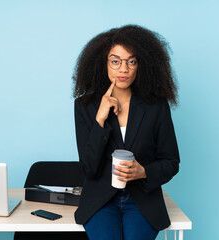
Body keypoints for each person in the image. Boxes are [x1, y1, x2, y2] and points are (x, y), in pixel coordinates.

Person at [72, 25, 180, 240]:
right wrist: (100, 120)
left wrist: (144, 172)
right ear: (103, 63)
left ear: (141, 64)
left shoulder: (156, 106)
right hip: (101, 201)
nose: (124, 69)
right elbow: (89, 168)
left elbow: (171, 162)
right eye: (115, 61)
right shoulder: (85, 106)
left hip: (143, 200)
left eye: (131, 61)